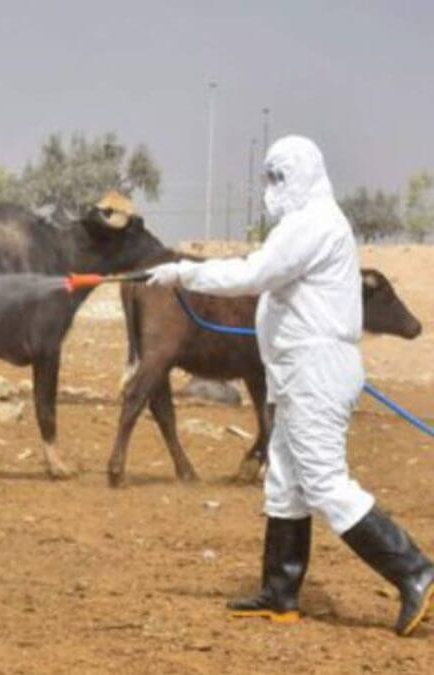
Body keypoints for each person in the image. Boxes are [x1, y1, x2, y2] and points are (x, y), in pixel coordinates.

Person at [146, 135, 434, 636]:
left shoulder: (313, 225)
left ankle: (416, 571)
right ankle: (280, 592)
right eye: (269, 176)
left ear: (305, 174)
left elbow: (254, 273)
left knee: (324, 481)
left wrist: (182, 272)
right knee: (285, 481)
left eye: (280, 176)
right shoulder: (305, 225)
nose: (271, 188)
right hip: (295, 370)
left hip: (314, 369)